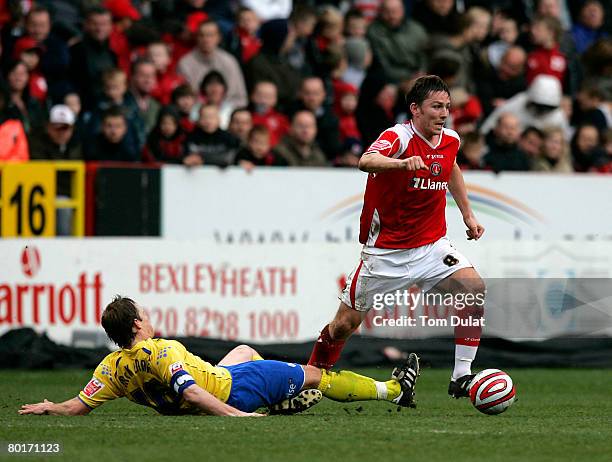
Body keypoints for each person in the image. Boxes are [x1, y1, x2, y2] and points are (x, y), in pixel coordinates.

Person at [306, 75, 487, 400]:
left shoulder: (450, 140)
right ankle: (311, 379)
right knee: (344, 325)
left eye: (446, 106)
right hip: (385, 254)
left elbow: (452, 168)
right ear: (415, 109)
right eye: (436, 106)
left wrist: (467, 214)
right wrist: (401, 164)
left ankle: (461, 375)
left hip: (432, 246)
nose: (443, 113)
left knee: (473, 289)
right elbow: (366, 160)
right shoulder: (398, 137)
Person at [19, 296, 420, 416]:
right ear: (138, 325)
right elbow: (193, 393)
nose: (149, 316)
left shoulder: (111, 368)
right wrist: (239, 417)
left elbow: (79, 406)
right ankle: (394, 390)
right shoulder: (162, 350)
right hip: (234, 391)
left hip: (213, 379)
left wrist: (50, 407)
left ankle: (282, 400)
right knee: (319, 374)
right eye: (144, 313)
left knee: (244, 350)